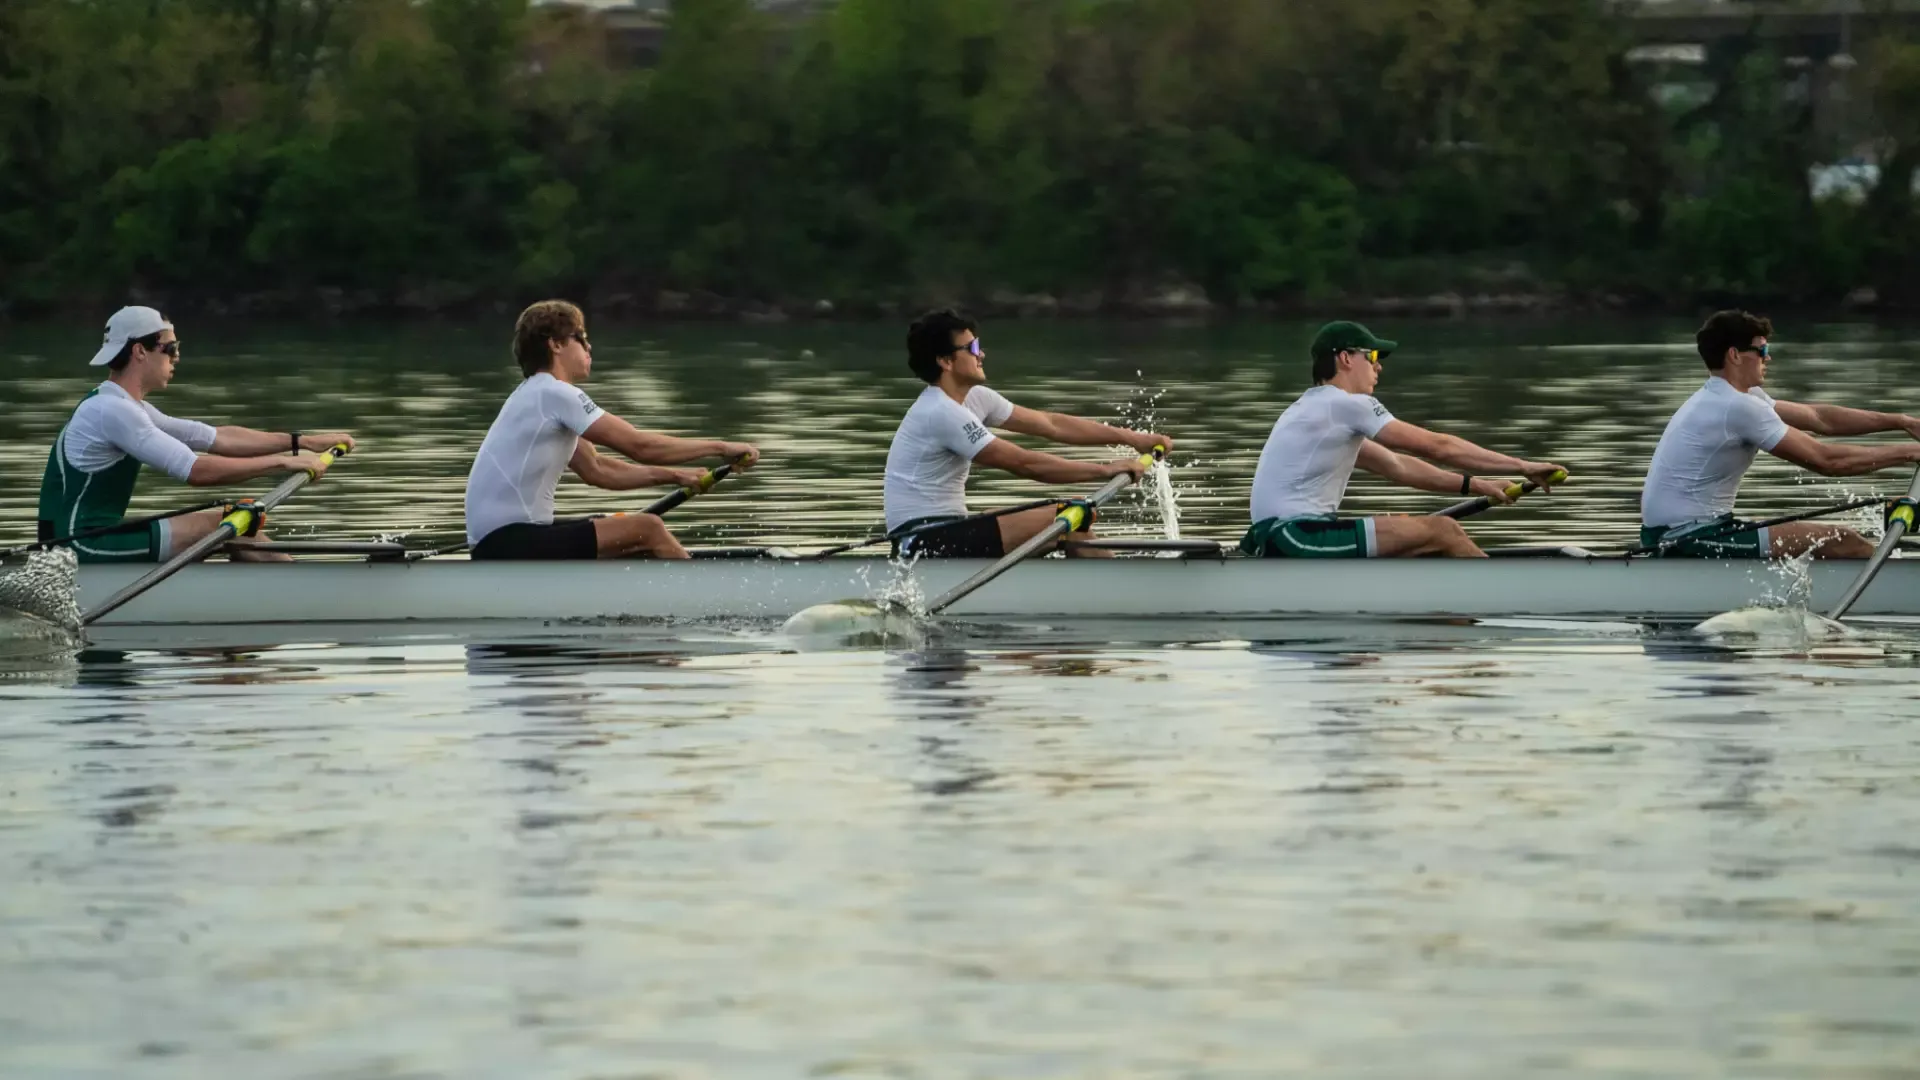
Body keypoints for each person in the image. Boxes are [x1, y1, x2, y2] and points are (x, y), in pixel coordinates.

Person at [35, 306, 353, 563]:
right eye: (169, 348)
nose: (176, 357)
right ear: (139, 352)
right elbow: (195, 471)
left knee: (234, 524)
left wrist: (302, 442)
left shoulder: (126, 406)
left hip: (91, 538)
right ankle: (299, 596)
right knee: (233, 525)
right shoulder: (110, 411)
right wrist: (285, 463)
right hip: (81, 547)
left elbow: (215, 438)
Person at [1242, 320, 1566, 559]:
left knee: (1420, 538)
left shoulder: (1317, 410)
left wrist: (1480, 485)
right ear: (1345, 359)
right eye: (1372, 356)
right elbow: (1437, 446)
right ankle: (1508, 593)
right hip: (1296, 535)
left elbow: (1399, 467)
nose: (1379, 367)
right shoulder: (1344, 404)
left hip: (1284, 536)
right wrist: (1523, 465)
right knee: (1443, 530)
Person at [464, 300, 759, 560]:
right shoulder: (554, 394)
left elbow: (598, 469)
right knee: (648, 527)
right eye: (581, 337)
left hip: (501, 539)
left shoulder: (534, 396)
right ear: (555, 344)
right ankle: (702, 601)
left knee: (620, 528)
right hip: (507, 541)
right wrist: (721, 448)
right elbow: (640, 446)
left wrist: (677, 476)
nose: (589, 347)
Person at [882, 310, 1172, 558]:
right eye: (971, 348)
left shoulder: (977, 398)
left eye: (978, 345)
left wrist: (1131, 437)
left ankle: (1104, 588)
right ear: (945, 361)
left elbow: (1051, 424)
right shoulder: (940, 412)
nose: (981, 354)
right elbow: (1024, 463)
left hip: (945, 531)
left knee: (1067, 522)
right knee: (1072, 514)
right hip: (920, 543)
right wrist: (1105, 469)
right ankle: (1122, 591)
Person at [1639, 309, 1920, 558]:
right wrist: (1909, 452)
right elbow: (1827, 461)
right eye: (1761, 350)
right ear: (1735, 355)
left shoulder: (1733, 397)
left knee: (1813, 538)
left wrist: (1902, 421)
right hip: (1685, 537)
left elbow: (1820, 419)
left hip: (1687, 530)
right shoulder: (1736, 406)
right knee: (1844, 541)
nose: (1768, 357)